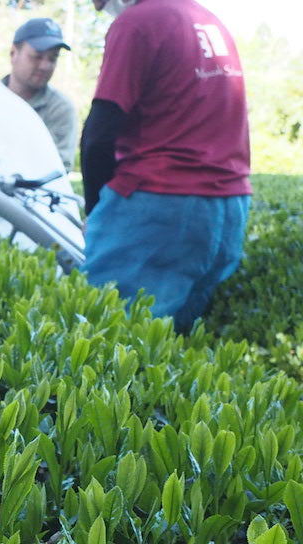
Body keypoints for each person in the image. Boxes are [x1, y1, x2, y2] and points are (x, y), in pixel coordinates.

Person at [80, 0, 250, 333]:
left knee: (107, 339)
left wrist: (95, 211)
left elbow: (97, 138)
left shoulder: (136, 23)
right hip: (228, 208)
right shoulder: (208, 20)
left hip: (158, 207)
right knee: (170, 351)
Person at [3, 18, 77, 170]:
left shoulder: (60, 109)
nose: (45, 66)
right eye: (37, 56)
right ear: (13, 53)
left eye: (53, 58)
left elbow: (57, 170)